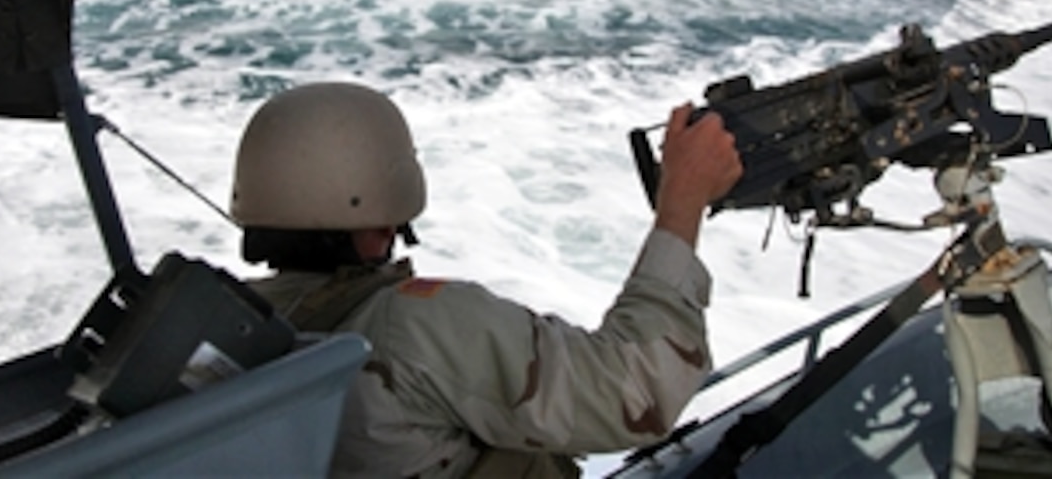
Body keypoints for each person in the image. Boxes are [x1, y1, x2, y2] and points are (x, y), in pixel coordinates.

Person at [230, 82, 742, 478]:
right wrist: (683, 199)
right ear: (388, 215)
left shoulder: (228, 334)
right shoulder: (415, 326)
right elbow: (637, 390)